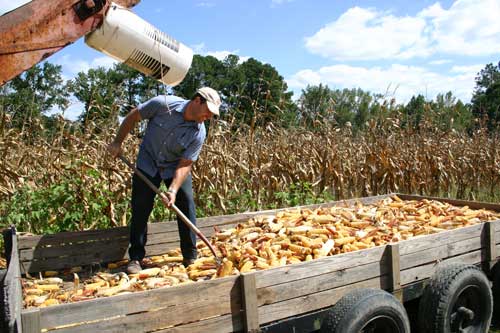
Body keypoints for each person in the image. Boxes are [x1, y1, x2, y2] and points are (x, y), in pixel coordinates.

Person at [107, 87, 221, 274]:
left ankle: (190, 256)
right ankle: (135, 258)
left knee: (186, 204)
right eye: (208, 110)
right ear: (197, 100)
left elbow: (185, 164)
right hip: (148, 162)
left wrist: (173, 190)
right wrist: (117, 142)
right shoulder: (163, 105)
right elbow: (132, 117)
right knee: (141, 207)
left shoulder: (198, 133)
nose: (209, 116)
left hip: (174, 167)